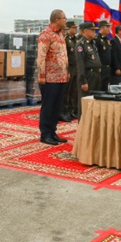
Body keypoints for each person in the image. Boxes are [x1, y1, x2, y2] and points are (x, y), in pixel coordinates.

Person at [36, 9, 69, 145]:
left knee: (57, 107)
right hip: (49, 78)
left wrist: (66, 72)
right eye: (64, 18)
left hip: (61, 77)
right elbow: (41, 57)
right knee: (48, 106)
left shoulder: (61, 35)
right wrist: (42, 75)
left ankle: (53, 131)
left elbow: (63, 56)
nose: (65, 20)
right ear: (56, 20)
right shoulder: (46, 35)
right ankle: (45, 133)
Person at [75, 22, 102, 113]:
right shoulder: (81, 44)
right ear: (85, 31)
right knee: (85, 102)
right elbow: (80, 64)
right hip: (88, 75)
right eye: (92, 30)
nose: (94, 32)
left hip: (96, 74)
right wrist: (83, 81)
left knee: (94, 101)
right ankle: (83, 123)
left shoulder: (92, 43)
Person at [61, 20, 79, 122]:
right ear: (68, 28)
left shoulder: (76, 40)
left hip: (76, 67)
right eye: (73, 28)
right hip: (69, 68)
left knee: (74, 91)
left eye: (76, 28)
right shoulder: (66, 39)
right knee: (66, 92)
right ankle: (64, 111)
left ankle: (72, 111)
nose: (75, 30)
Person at [95, 20, 113, 92]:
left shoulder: (107, 39)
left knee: (106, 88)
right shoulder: (97, 39)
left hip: (107, 68)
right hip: (101, 68)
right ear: (101, 28)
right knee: (100, 88)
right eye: (107, 27)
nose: (109, 29)